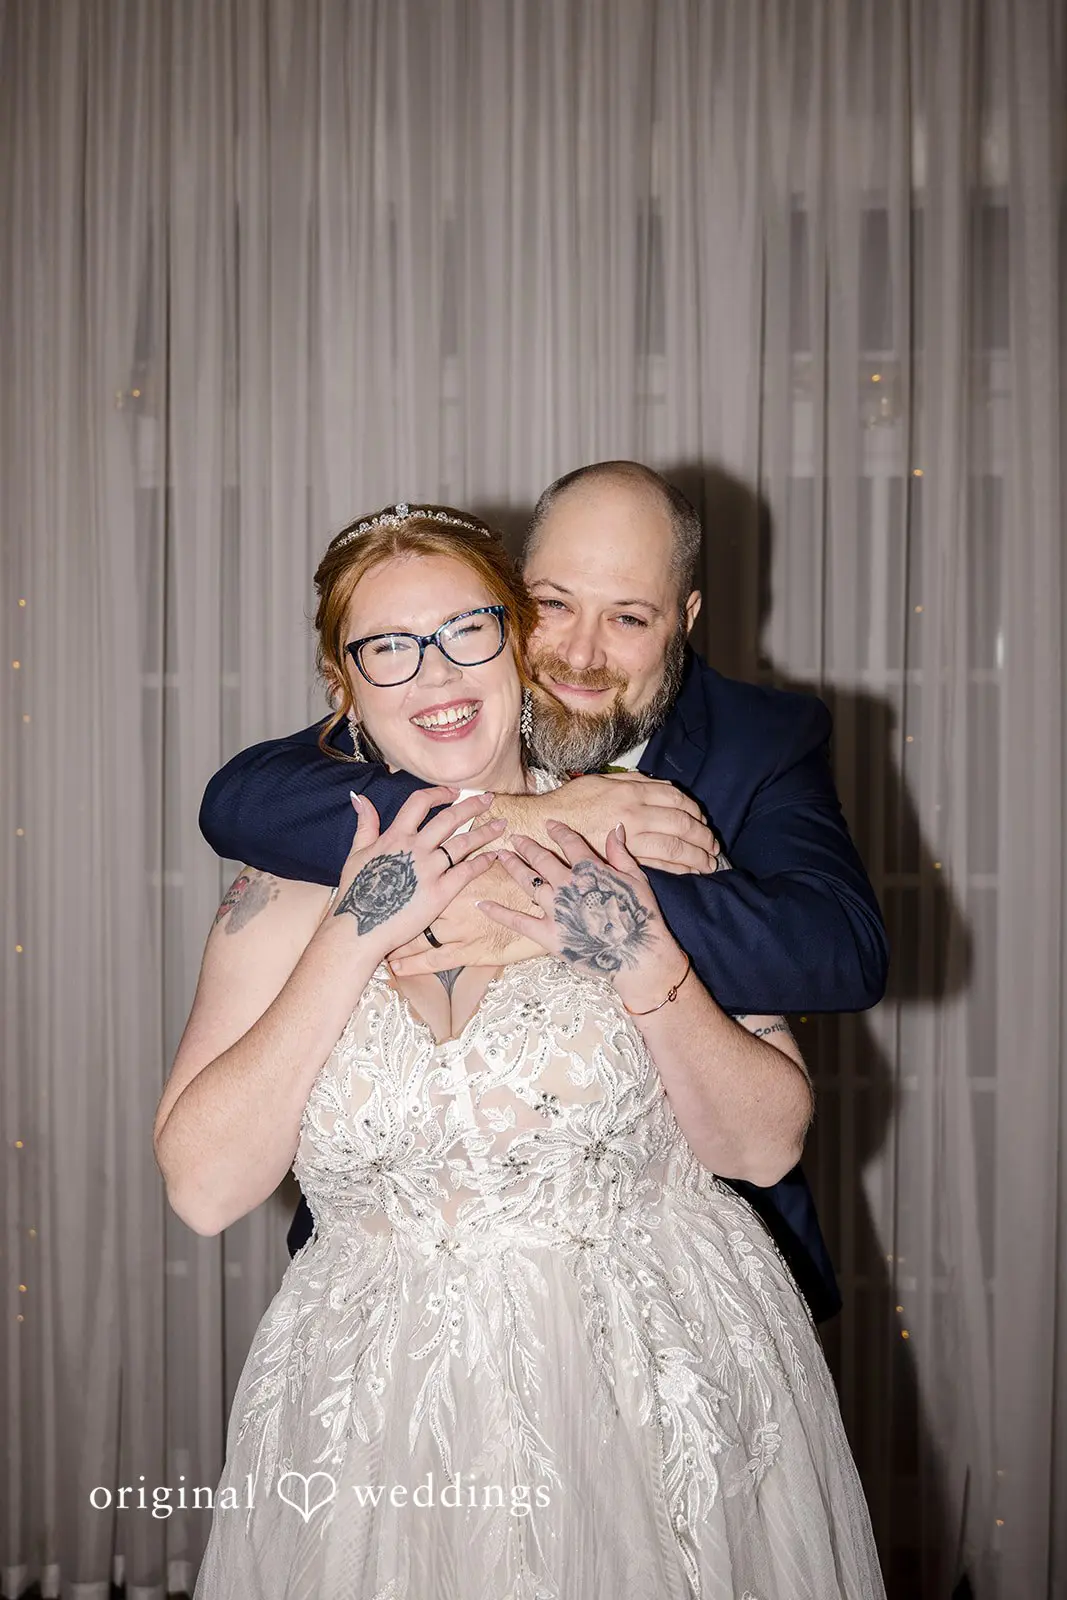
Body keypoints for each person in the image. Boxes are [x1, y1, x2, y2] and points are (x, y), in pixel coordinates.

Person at [157, 504, 885, 1597]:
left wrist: (646, 966)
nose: (434, 673)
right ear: (341, 682)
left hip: (653, 1400)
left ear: (515, 644)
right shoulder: (283, 890)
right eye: (388, 646)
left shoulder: (649, 833)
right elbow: (205, 1191)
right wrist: (354, 934)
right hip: (368, 1419)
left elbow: (765, 1145)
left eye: (466, 630)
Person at [199, 463, 889, 1323]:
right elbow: (238, 800)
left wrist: (555, 912)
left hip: (682, 1294)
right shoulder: (431, 688)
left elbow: (838, 948)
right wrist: (532, 818)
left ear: (686, 618)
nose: (580, 653)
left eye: (629, 617)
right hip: (389, 1300)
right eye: (553, 604)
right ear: (510, 600)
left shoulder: (760, 742)